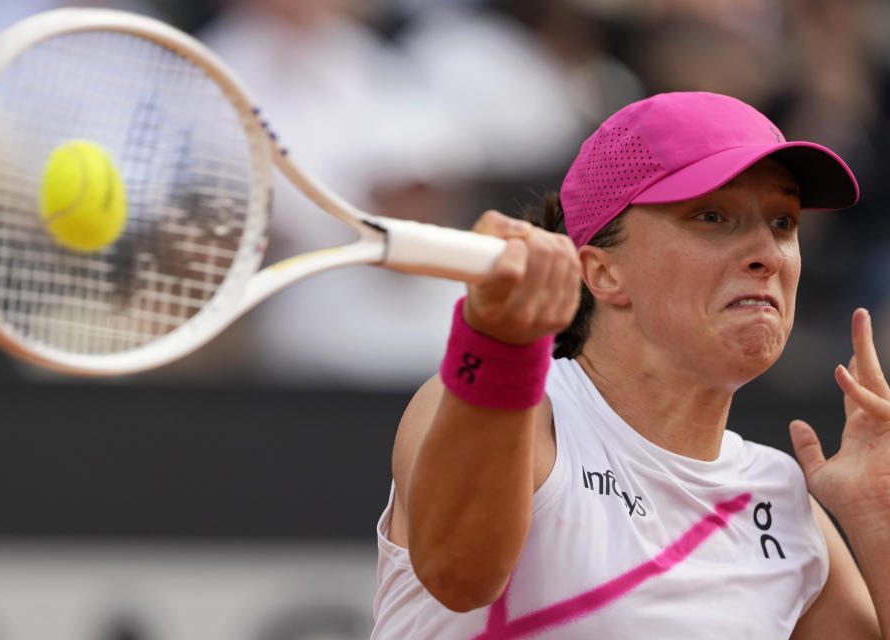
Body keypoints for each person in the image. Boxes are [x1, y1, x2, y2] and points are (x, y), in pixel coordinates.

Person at [370, 92, 888, 639]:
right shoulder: (518, 414)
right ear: (603, 272)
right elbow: (458, 577)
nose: (767, 253)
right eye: (712, 216)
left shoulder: (781, 500)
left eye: (783, 222)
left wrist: (878, 517)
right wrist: (500, 342)